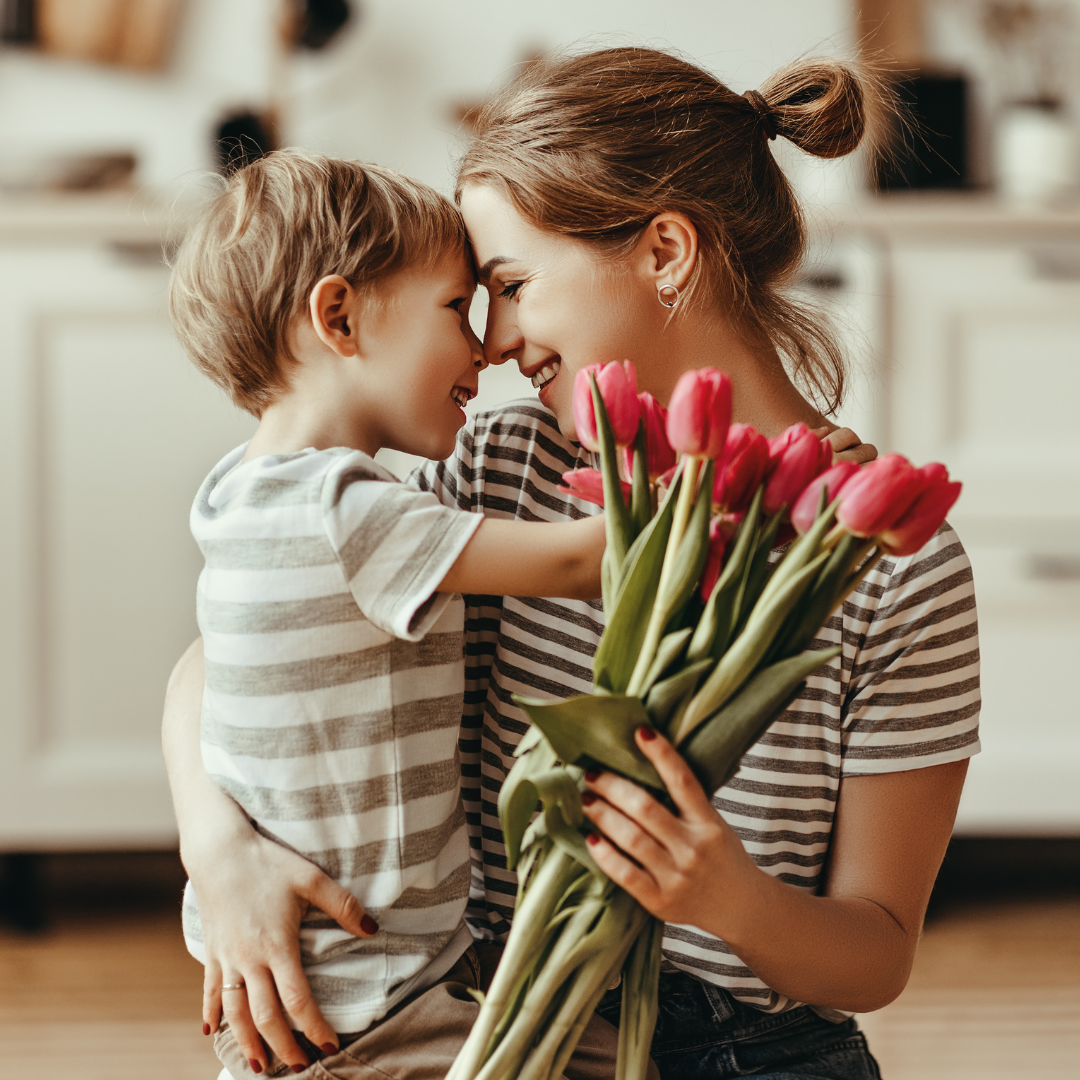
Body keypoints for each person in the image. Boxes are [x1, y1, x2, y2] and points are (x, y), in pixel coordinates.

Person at [163, 48, 980, 1080]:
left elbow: (875, 956)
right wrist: (218, 849)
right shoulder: (503, 466)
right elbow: (237, 645)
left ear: (666, 251)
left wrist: (726, 896)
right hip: (488, 1018)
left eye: (508, 285)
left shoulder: (889, 565)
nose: (493, 341)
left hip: (746, 1050)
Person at [167, 149, 628, 1080]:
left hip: (344, 976)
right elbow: (587, 562)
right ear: (338, 317)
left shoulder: (241, 490)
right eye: (457, 307)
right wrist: (780, 474)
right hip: (370, 997)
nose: (482, 345)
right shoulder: (347, 512)